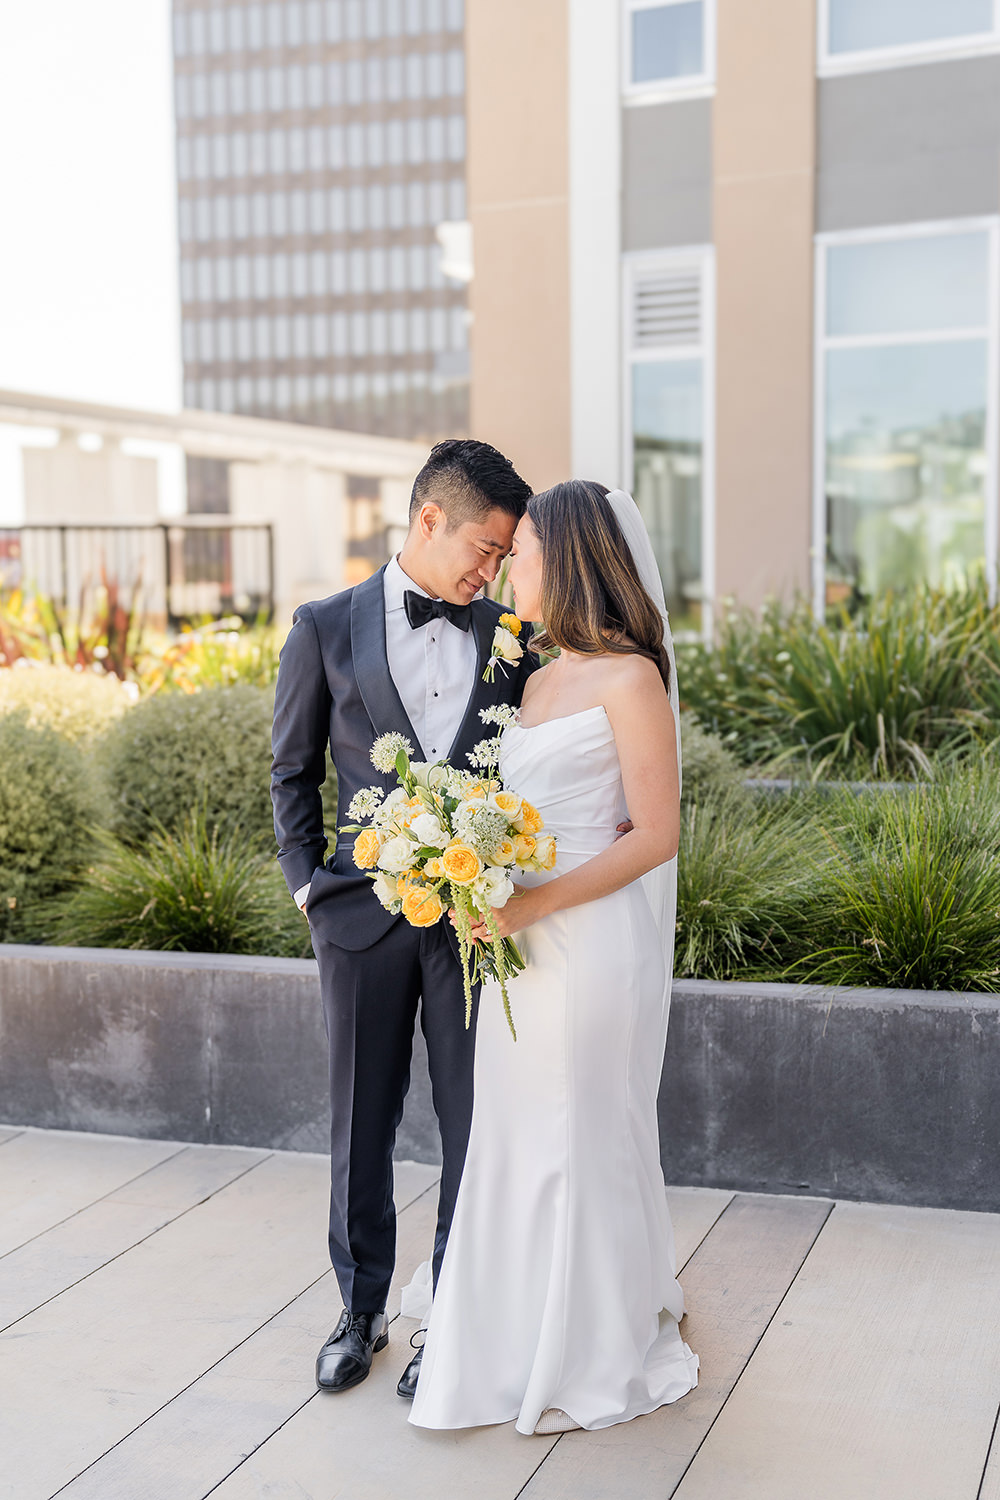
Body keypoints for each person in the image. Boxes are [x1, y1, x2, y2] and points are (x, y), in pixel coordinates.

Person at [408, 480, 699, 1436]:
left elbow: (654, 834)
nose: (505, 566)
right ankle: (513, 1327)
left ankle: (583, 1344)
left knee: (574, 1133)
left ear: (567, 558)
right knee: (515, 1132)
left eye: (521, 549)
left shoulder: (631, 679)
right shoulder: (530, 677)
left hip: (585, 940)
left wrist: (533, 900)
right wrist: (468, 876)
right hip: (517, 945)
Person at [270, 439, 536, 1399]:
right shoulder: (324, 627)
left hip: (476, 929)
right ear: (431, 520)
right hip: (358, 924)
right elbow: (290, 771)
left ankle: (453, 1320)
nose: (491, 568)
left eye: (503, 557)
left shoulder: (513, 638)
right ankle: (361, 1309)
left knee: (473, 1125)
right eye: (486, 547)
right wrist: (311, 886)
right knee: (360, 1124)